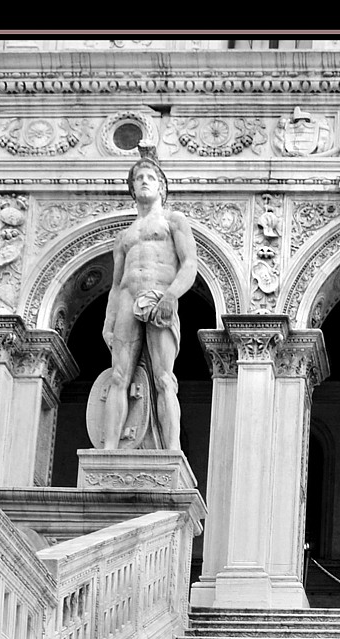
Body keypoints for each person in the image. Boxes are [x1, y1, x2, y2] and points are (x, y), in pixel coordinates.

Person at [99, 150, 198, 452]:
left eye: (150, 178)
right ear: (132, 188)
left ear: (161, 188)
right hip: (128, 301)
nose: (144, 182)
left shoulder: (173, 221)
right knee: (118, 377)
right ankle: (109, 450)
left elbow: (190, 263)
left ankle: (172, 450)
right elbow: (117, 285)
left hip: (159, 297)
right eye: (138, 178)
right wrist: (108, 321)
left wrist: (171, 296)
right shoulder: (123, 237)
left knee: (164, 379)